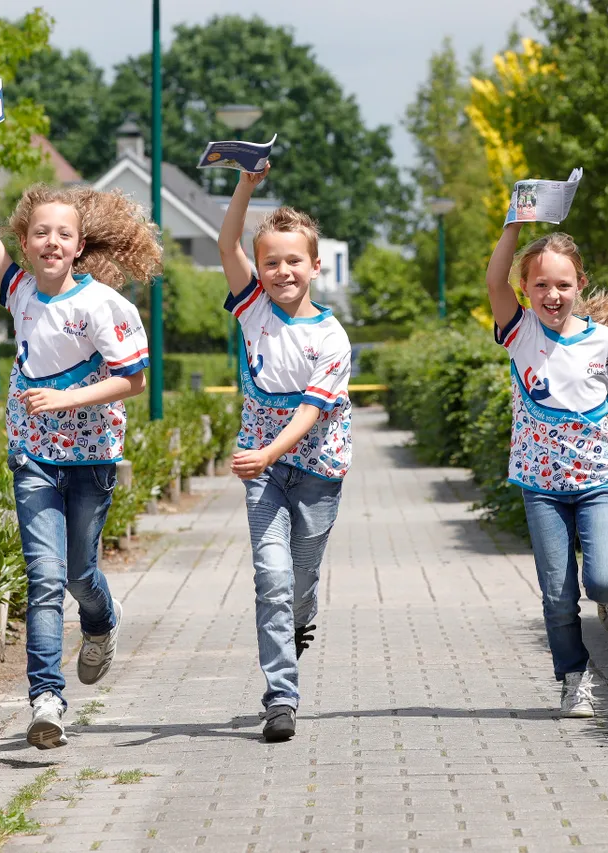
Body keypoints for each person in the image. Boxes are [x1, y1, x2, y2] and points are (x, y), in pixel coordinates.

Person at [0, 117, 161, 748]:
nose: (52, 241)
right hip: (33, 455)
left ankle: (101, 620)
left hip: (92, 454)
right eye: (40, 232)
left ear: (80, 246)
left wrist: (68, 396)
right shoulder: (18, 290)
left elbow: (134, 379)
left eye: (64, 234)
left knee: (80, 575)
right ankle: (46, 700)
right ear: (24, 241)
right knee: (44, 577)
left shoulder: (104, 305)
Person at [485, 221, 608, 718]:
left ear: (580, 284)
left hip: (599, 480)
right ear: (526, 290)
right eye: (540, 285)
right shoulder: (519, 332)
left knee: (603, 580)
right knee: (558, 596)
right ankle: (573, 679)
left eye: (563, 284)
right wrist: (513, 226)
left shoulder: (607, 344)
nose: (552, 294)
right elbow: (494, 282)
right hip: (540, 486)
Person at [217, 163, 353, 743]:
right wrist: (247, 183)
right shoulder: (251, 310)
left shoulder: (332, 336)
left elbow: (310, 412)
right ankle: (281, 697)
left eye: (294, 260)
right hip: (266, 474)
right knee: (270, 579)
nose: (281, 271)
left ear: (315, 266)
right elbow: (227, 241)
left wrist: (266, 451)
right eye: (270, 261)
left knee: (299, 578)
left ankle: (302, 618)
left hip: (318, 470)